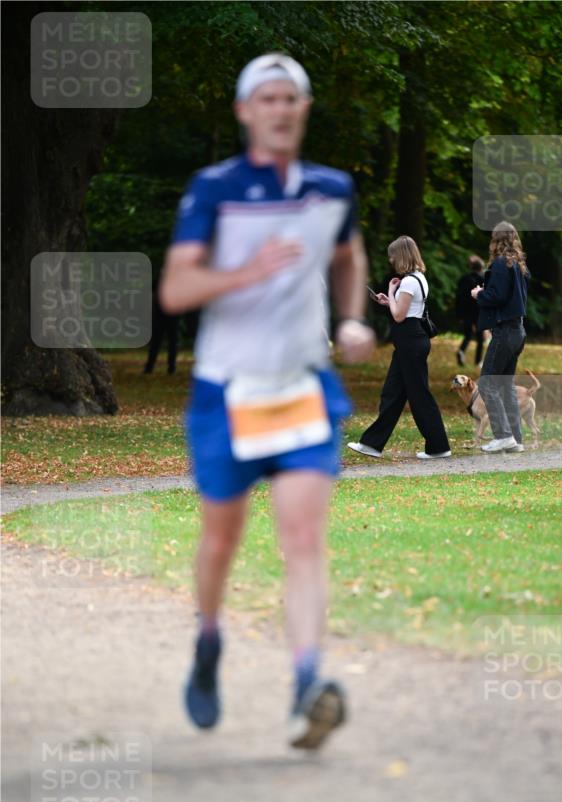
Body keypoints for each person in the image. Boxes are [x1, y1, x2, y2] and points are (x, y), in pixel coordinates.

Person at [159, 53, 374, 750]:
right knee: (221, 540)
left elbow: (348, 255)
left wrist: (350, 318)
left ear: (304, 109)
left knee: (303, 538)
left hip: (302, 388)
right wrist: (247, 272)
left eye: (292, 98)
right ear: (246, 111)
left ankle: (307, 684)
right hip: (227, 389)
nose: (281, 109)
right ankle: (209, 638)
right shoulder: (214, 189)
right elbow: (175, 291)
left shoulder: (330, 189)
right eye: (268, 98)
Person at [347, 235, 451, 460]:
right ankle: (371, 444)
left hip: (410, 343)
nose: (391, 260)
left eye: (392, 256)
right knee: (393, 394)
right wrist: (389, 299)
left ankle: (439, 446)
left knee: (419, 395)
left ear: (401, 255)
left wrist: (391, 293)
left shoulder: (410, 282)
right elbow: (404, 309)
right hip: (410, 342)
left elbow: (399, 315)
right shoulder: (418, 278)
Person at [471, 221, 530, 453]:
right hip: (519, 331)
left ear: (496, 240)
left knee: (486, 382)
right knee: (505, 386)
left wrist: (479, 294)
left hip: (505, 331)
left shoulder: (499, 264)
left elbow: (497, 296)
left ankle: (504, 435)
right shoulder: (520, 265)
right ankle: (516, 438)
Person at [455, 255, 485, 368]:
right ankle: (478, 361)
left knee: (467, 335)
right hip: (478, 312)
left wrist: (459, 315)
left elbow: (458, 297)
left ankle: (461, 351)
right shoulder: (483, 280)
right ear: (481, 268)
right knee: (480, 338)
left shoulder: (463, 279)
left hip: (465, 311)